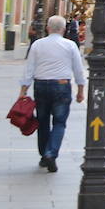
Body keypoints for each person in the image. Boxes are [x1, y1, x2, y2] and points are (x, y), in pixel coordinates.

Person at [18, 16, 86, 173]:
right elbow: (78, 69)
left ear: (48, 28)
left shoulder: (37, 44)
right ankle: (51, 153)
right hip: (62, 86)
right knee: (59, 123)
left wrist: (23, 91)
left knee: (42, 122)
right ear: (63, 29)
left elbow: (29, 69)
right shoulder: (70, 45)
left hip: (41, 85)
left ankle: (44, 155)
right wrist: (80, 90)